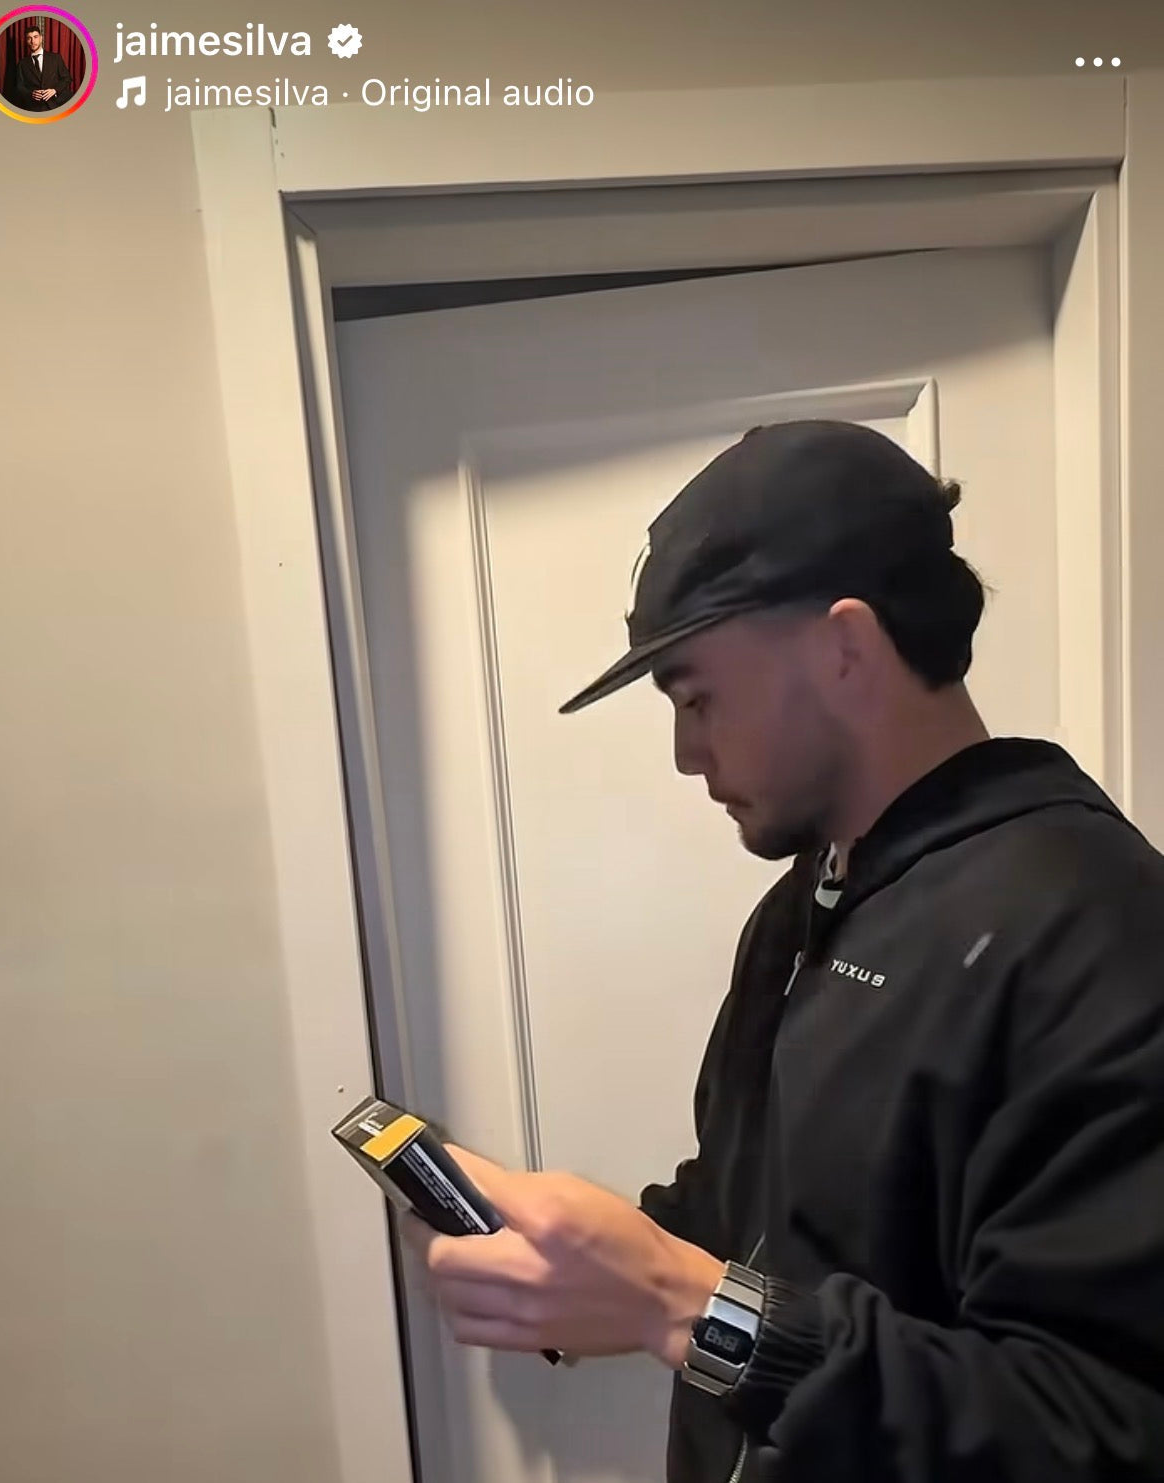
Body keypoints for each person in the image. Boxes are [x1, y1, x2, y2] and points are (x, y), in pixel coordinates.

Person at [403, 420, 1164, 1482]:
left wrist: (678, 1303)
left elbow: (1104, 1427)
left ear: (844, 647)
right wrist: (579, 1264)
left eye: (698, 697)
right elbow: (756, 1213)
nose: (686, 752)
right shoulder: (801, 907)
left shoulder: (1099, 930)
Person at [15, 23, 72, 112]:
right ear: (26, 40)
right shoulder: (22, 64)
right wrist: (31, 94)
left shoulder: (56, 58)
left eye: (35, 37)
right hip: (34, 108)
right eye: (29, 38)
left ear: (41, 38)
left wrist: (55, 90)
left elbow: (67, 78)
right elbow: (19, 86)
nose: (32, 41)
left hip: (56, 105)